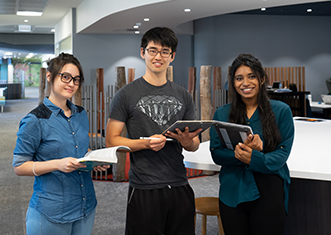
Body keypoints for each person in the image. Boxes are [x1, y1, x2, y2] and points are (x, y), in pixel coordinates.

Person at [106, 27, 201, 235]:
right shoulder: (125, 95)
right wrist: (145, 143)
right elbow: (111, 140)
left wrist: (187, 141)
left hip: (179, 184)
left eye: (164, 51)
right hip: (144, 187)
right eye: (152, 50)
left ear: (172, 56)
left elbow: (194, 145)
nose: (158, 56)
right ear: (143, 53)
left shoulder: (184, 96)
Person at [13, 53, 107, 235]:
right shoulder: (35, 120)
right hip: (51, 211)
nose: (71, 83)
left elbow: (78, 149)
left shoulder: (80, 113)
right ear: (50, 76)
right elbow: (19, 166)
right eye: (66, 77)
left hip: (85, 205)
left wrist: (92, 160)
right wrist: (58, 164)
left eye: (76, 79)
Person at [209, 53, 294, 235]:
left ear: (262, 79)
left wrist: (253, 157)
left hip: (269, 189)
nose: (245, 83)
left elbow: (282, 154)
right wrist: (247, 155)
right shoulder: (221, 114)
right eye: (239, 78)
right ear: (233, 82)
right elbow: (217, 153)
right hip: (233, 190)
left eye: (251, 76)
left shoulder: (281, 111)